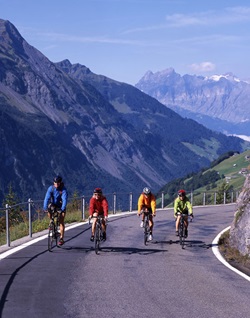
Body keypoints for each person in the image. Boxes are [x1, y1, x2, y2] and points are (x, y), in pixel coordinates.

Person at [43, 175, 68, 246]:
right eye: (55, 182)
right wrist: (45, 207)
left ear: (60, 183)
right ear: (53, 183)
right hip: (53, 204)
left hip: (61, 205)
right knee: (49, 208)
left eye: (58, 183)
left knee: (61, 221)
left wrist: (62, 209)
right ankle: (51, 221)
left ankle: (61, 239)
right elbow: (46, 198)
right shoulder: (51, 188)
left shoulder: (63, 190)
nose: (56, 184)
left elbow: (64, 200)